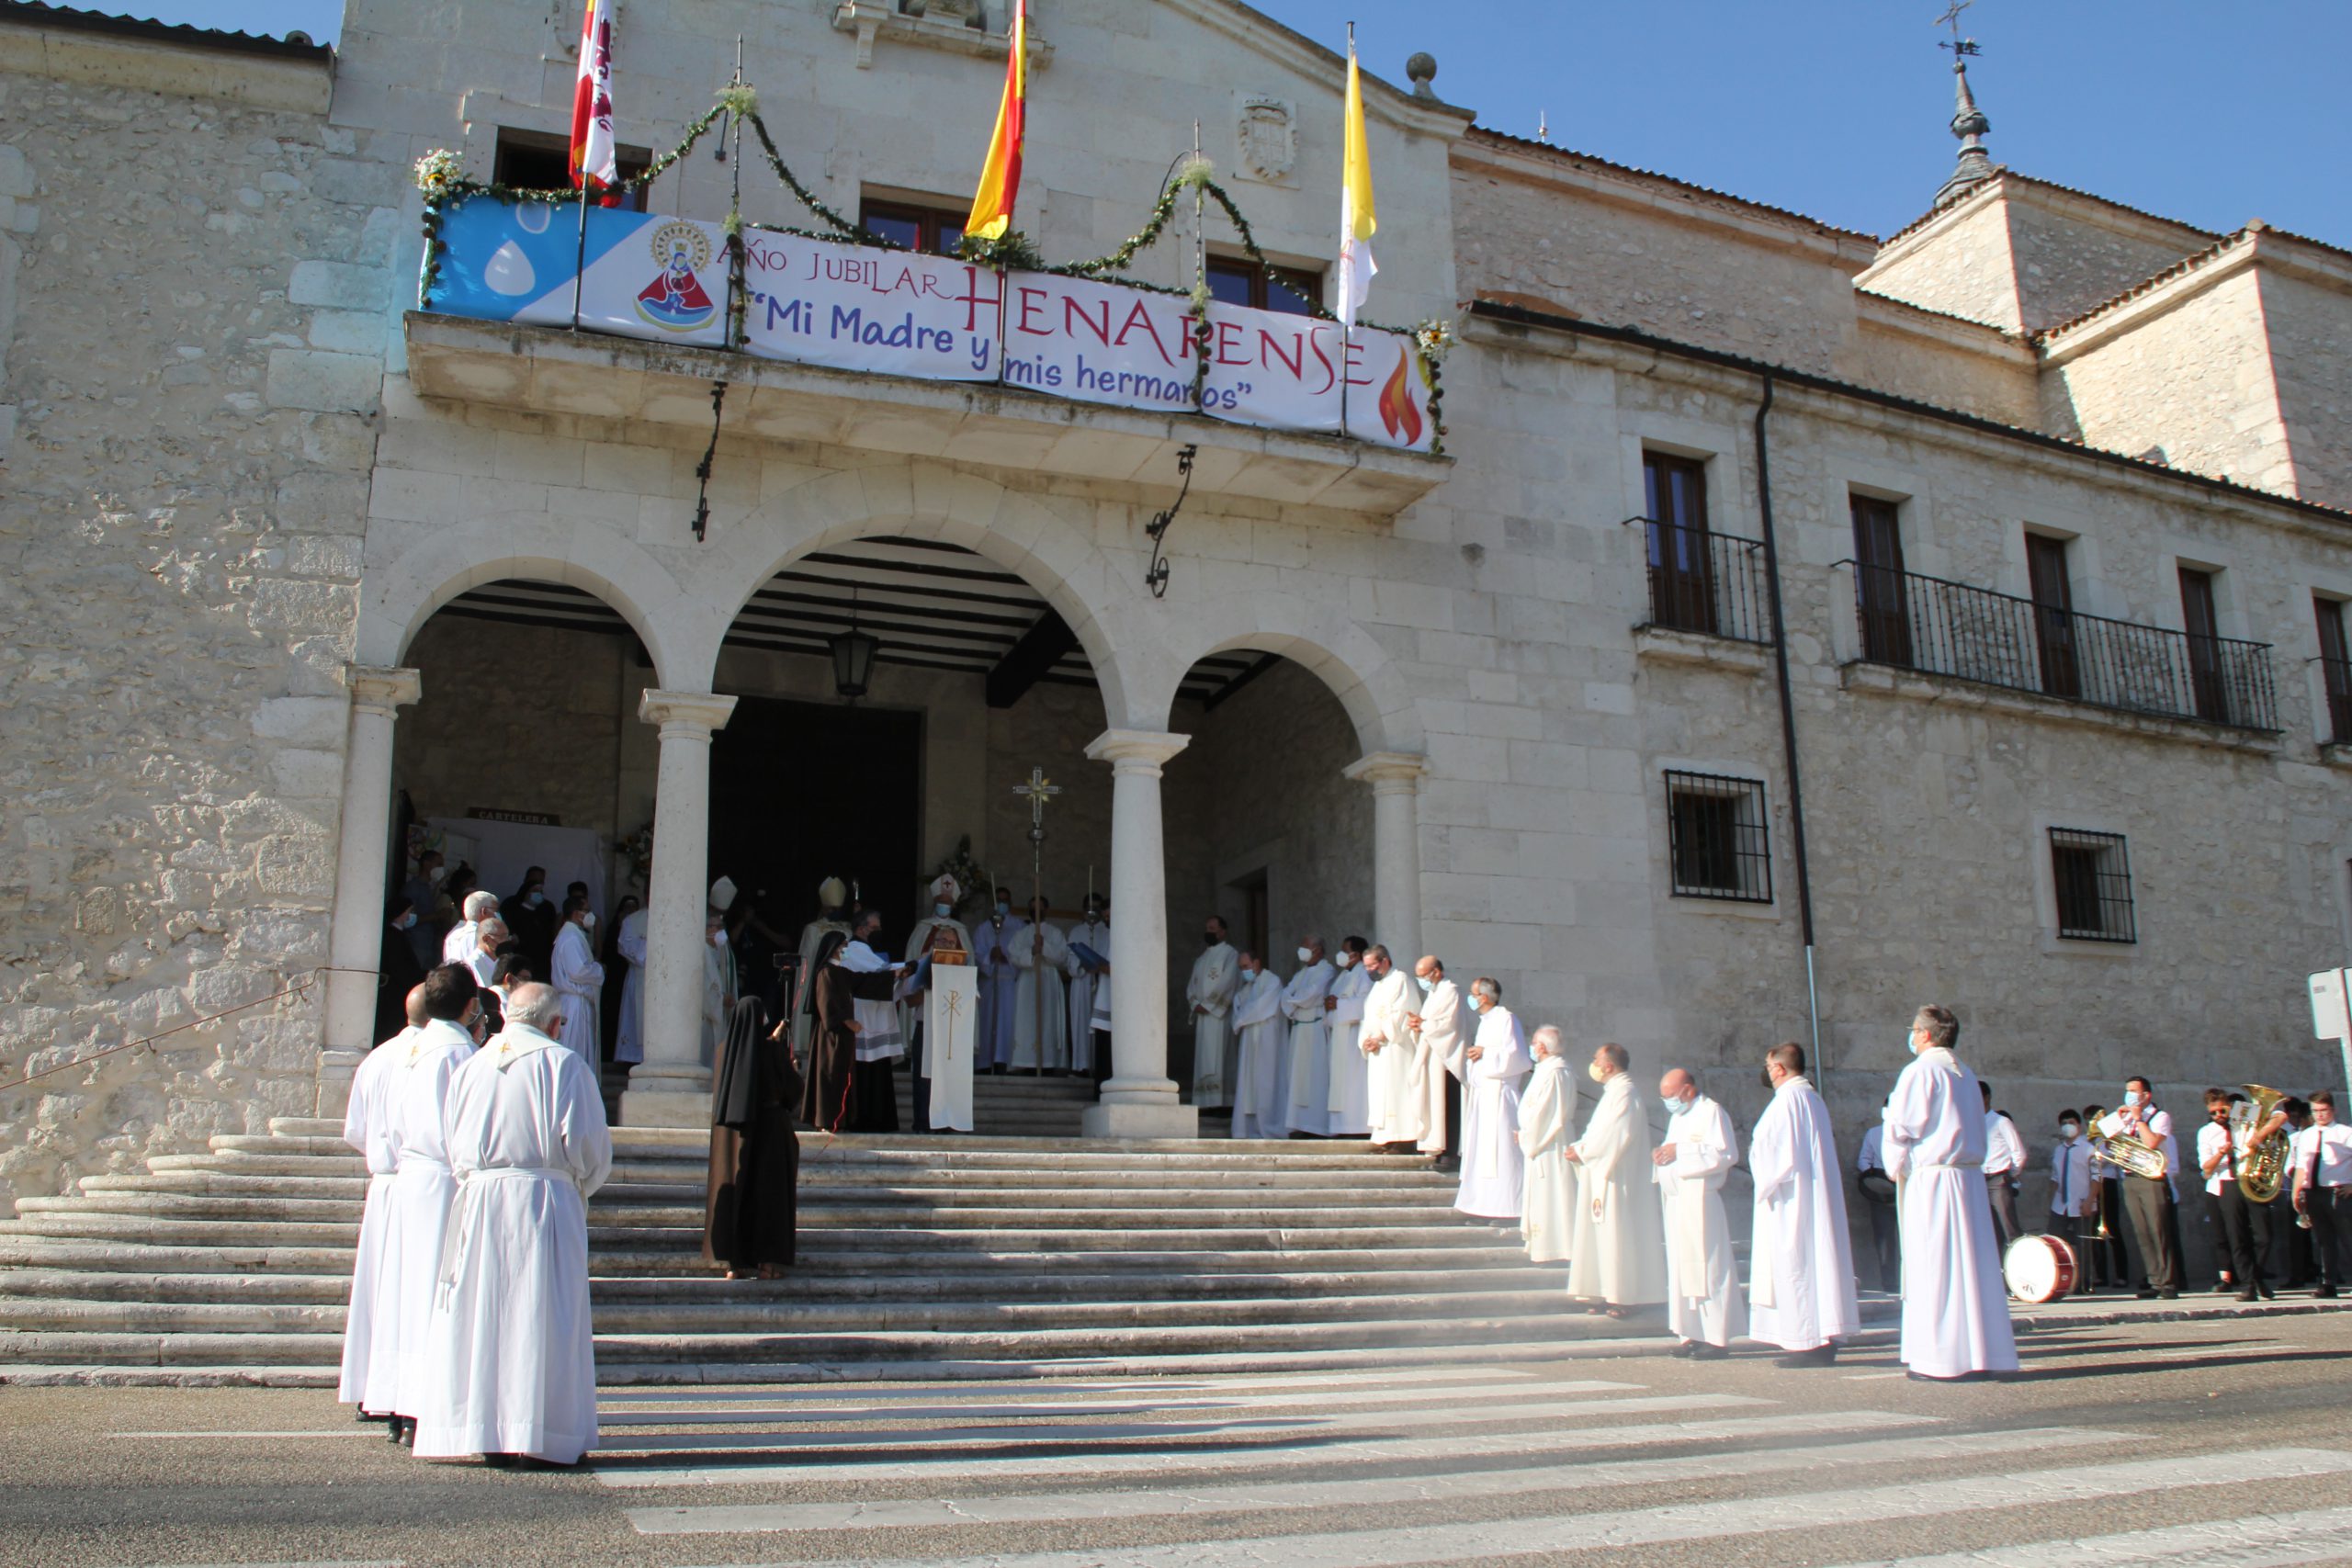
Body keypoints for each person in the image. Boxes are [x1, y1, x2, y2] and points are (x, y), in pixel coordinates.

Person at [413, 983, 613, 1469]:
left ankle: (487, 1429)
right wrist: (579, 1184)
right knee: (542, 1314)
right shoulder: (563, 1064)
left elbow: (451, 1138)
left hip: (481, 1198)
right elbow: (588, 1146)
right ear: (554, 1023)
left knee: (486, 1312)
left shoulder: (472, 1064)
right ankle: (542, 1433)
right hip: (542, 1200)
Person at [1882, 1003, 2018, 1382]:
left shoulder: (1920, 1070)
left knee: (1936, 1266)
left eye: (1913, 1029)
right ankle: (1978, 1353)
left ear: (1925, 1034)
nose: (1910, 1035)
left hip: (1937, 1181)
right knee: (1971, 1270)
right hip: (1970, 1180)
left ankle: (1941, 1359)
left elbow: (1902, 1126)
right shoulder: (1965, 1073)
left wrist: (1895, 1163)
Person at [380, 964, 481, 1445]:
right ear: (469, 1007)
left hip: (412, 1175)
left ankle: (404, 1402)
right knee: (441, 1291)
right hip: (444, 1176)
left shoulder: (412, 1048)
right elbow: (469, 1120)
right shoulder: (460, 1051)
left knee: (410, 1290)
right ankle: (429, 1404)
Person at [340, 986, 425, 1419]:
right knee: (407, 1292)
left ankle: (369, 1388)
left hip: (384, 1182)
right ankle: (400, 1392)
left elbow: (355, 1130)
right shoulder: (437, 1057)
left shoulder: (377, 1058)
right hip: (421, 1184)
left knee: (377, 1289)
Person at [1747, 1043, 1859, 1367]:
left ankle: (1806, 1342)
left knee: (1798, 1265)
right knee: (1816, 1263)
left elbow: (1774, 1152)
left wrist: (1759, 1168)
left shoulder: (1787, 1101)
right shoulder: (1812, 1097)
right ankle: (1822, 1338)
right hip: (1811, 1196)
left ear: (1779, 1069)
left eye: (1769, 1067)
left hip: (1792, 1202)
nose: (1767, 1073)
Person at [1560, 1043, 1668, 1318]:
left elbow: (1615, 1135)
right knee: (1600, 1236)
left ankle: (1622, 1296)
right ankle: (1600, 1290)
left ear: (1608, 1065)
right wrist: (1581, 1146)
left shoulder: (1625, 1093)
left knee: (1616, 1236)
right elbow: (1597, 1131)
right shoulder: (1614, 1093)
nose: (1593, 1064)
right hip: (1602, 1174)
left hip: (1617, 1178)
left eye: (1596, 1059)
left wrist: (1582, 1150)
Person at [706, 998, 804, 1280]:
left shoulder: (724, 1052)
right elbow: (791, 1089)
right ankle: (767, 1264)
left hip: (733, 1138)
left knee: (739, 1195)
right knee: (769, 1197)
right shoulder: (769, 1051)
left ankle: (734, 1263)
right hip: (771, 1132)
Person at [1652, 1066, 1743, 1359]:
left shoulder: (1711, 1112)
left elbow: (1725, 1153)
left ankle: (1716, 1337)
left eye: (1671, 1096)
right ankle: (1691, 1332)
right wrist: (1663, 1154)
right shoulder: (1678, 1116)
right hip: (1678, 1201)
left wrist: (1680, 1151)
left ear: (1688, 1089)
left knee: (1709, 1268)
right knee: (1682, 1268)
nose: (1668, 1102)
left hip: (1701, 1201)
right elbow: (1673, 1149)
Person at [799, 930, 908, 1134]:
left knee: (842, 1078)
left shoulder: (840, 972)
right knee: (830, 1076)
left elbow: (864, 981)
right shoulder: (826, 972)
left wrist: (894, 974)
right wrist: (848, 1022)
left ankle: (840, 1120)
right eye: (843, 947)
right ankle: (827, 1121)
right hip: (831, 1037)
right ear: (833, 948)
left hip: (843, 1037)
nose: (845, 950)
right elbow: (827, 1006)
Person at [1453, 978, 1530, 1220]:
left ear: (1484, 997)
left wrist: (1484, 1052)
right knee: (1482, 1153)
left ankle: (1507, 1207)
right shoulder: (1486, 1022)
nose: (1471, 997)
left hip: (1500, 1097)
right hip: (1483, 1096)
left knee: (1501, 1154)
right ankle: (1482, 1206)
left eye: (1473, 993)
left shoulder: (1506, 1019)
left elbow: (1517, 1056)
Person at [903, 874, 974, 1132]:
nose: (945, 944)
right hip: (928, 1021)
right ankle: (923, 1120)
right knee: (925, 1076)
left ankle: (951, 1120)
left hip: (953, 1028)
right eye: (941, 941)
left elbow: (971, 989)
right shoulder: (924, 945)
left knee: (951, 1075)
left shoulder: (962, 938)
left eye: (950, 942)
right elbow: (909, 993)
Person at [2098, 1076, 2180, 1299]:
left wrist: (2139, 1120)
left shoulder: (2160, 1116)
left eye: (2134, 1091)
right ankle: (2154, 1280)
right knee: (2142, 1231)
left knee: (2158, 1230)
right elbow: (2105, 1137)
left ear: (2146, 1095)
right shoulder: (2127, 1118)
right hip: (2130, 1177)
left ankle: (2169, 1282)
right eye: (2127, 1090)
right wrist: (2120, 1117)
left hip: (2152, 1178)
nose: (2130, 1094)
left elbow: (2152, 1142)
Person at [2201, 1087, 2280, 1302]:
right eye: (2213, 1113)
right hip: (2228, 1183)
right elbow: (2206, 1170)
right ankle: (2248, 1284)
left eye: (2222, 1111)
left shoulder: (2243, 1120)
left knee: (2265, 1235)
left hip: (2251, 1180)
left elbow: (2279, 1116)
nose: (2219, 1116)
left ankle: (2255, 1277)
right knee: (2237, 1238)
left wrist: (2258, 1137)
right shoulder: (2207, 1132)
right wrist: (2220, 1154)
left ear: (2230, 1107)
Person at [839, 908, 910, 1123]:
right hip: (865, 1015)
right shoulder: (855, 949)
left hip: (875, 1014)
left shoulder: (866, 950)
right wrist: (909, 967)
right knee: (868, 1068)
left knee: (876, 1067)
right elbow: (882, 972)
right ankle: (868, 1118)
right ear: (861, 929)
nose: (879, 931)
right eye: (874, 928)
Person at [1516, 1025, 1576, 1263]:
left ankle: (1556, 1248)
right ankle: (1542, 1246)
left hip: (1549, 1142)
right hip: (1541, 1140)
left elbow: (1548, 1113)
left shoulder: (1556, 1072)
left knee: (1553, 1194)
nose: (1531, 1047)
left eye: (1533, 1043)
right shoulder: (1546, 1069)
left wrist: (1525, 1136)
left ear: (1541, 1046)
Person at [1357, 945, 1421, 1153]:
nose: (1369, 970)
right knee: (1380, 1092)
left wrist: (1380, 1037)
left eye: (1372, 965)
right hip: (1379, 1050)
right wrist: (1366, 1039)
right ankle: (1386, 1137)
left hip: (1395, 1048)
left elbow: (1401, 1014)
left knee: (1396, 1090)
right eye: (1366, 966)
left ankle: (1404, 1138)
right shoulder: (1378, 986)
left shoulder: (1400, 980)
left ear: (1385, 961)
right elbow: (1369, 1016)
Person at [1406, 956, 1464, 1168]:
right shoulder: (1433, 994)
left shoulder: (1451, 991)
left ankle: (1450, 1153)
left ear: (1436, 972)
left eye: (1423, 975)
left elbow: (1448, 1025)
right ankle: (1437, 1148)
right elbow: (1430, 1023)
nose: (1421, 980)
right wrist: (1417, 1024)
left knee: (1447, 1104)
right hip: (1432, 1057)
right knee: (1435, 1104)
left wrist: (1423, 1025)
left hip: (1446, 1060)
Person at [2292, 1089, 2352, 1296]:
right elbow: (2302, 1166)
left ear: (2332, 1110)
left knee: (2348, 1238)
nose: (2320, 1115)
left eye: (2324, 1110)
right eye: (2315, 1111)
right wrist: (2296, 1191)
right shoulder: (2306, 1135)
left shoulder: (2344, 1133)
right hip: (2313, 1191)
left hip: (2338, 1190)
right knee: (2324, 1240)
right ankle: (2328, 1283)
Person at [1227, 950, 1289, 1137]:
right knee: (1249, 1084)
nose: (1244, 971)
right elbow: (1237, 1007)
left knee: (1265, 1082)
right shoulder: (1246, 988)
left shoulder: (1272, 982)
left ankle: (1269, 1126)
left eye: (1246, 966)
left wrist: (1241, 1018)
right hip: (1250, 1042)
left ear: (1256, 963)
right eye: (1241, 968)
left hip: (1267, 1040)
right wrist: (1241, 1017)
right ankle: (1246, 1129)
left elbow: (1261, 1007)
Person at [1008, 895, 1070, 1073]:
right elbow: (1013, 955)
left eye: (1039, 907)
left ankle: (1049, 1062)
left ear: (1046, 910)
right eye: (1032, 907)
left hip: (1048, 979)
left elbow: (1062, 956)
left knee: (1048, 1019)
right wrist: (1031, 951)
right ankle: (1025, 1061)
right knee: (1026, 1020)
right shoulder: (1021, 934)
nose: (1036, 911)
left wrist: (1045, 946)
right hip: (1028, 979)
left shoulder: (1055, 932)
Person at [1280, 938, 1335, 1138]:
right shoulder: (1301, 973)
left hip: (1314, 1028)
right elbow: (1285, 993)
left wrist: (1295, 1000)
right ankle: (1299, 1124)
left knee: (1315, 1076)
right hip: (1299, 1028)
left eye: (1306, 947)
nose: (1302, 950)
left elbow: (1313, 993)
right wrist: (1296, 1001)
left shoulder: (1326, 970)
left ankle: (1317, 1125)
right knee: (1297, 1077)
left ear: (1318, 950)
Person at [1321, 937, 1373, 1136]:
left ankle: (1357, 1126)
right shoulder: (1343, 975)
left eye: (1345, 951)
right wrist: (1330, 1004)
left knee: (1353, 1082)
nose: (1340, 955)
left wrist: (1338, 1005)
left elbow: (1365, 1004)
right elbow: (1331, 1000)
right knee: (1339, 1083)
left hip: (1353, 1037)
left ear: (1357, 955)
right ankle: (1340, 1126)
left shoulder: (1364, 975)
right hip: (1339, 1036)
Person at [2080, 1100, 2133, 1292]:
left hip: (2108, 1182)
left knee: (2113, 1229)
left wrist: (2108, 1148)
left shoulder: (2110, 1140)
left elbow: (2116, 1162)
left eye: (2093, 1121)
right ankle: (2100, 1274)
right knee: (2096, 1231)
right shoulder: (2088, 1142)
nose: (2091, 1125)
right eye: (2088, 1122)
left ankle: (2121, 1275)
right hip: (2093, 1184)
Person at [1186, 915, 1239, 1108]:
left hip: (1218, 1016)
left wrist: (1208, 1005)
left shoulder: (1230, 954)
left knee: (1219, 1058)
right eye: (1207, 928)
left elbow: (1228, 982)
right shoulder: (1201, 958)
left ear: (1222, 932)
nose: (1208, 932)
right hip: (1202, 1016)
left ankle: (1223, 1103)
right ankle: (1204, 1103)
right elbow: (1191, 986)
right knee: (1204, 1060)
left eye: (1212, 928)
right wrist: (1195, 1004)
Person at [548, 893, 605, 1064]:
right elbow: (578, 971)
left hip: (576, 1001)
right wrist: (599, 969)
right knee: (575, 1050)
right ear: (576, 913)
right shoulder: (571, 938)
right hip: (574, 1003)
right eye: (587, 910)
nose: (590, 915)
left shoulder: (573, 935)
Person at [969, 887, 1018, 1074]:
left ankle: (1005, 1062)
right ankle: (985, 1062)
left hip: (1009, 983)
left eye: (1005, 900)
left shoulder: (1018, 926)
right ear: (993, 904)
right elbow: (977, 954)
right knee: (988, 1022)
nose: (1002, 904)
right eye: (999, 900)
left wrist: (1007, 957)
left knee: (1007, 1022)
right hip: (989, 983)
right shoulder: (983, 929)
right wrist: (990, 955)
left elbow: (1022, 952)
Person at [2049, 1109, 2096, 1297]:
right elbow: (2054, 1177)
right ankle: (2055, 1280)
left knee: (2083, 1245)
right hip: (2060, 1204)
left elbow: (2096, 1177)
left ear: (2079, 1125)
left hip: (2081, 1202)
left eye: (2072, 1122)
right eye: (2064, 1123)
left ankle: (2083, 1284)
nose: (2068, 1126)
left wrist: (2090, 1200)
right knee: (2054, 1242)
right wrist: (2050, 1199)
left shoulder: (2088, 1149)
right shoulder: (2059, 1150)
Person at [1855, 1104, 1901, 1293]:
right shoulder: (1874, 1133)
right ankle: (1890, 1284)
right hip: (1882, 1192)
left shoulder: (1908, 1133)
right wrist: (1876, 1177)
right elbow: (1863, 1160)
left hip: (1906, 1187)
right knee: (1885, 1240)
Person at [1064, 894, 1111, 1078]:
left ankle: (1097, 1066)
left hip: (1101, 983)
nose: (1094, 912)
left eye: (1097, 908)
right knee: (1080, 1023)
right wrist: (1081, 964)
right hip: (1081, 982)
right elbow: (1070, 958)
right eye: (1089, 907)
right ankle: (1081, 1065)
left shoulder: (1107, 931)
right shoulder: (1076, 931)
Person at [376, 896, 428, 1046]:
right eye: (409, 911)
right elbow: (401, 968)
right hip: (395, 993)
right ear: (402, 913)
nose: (411, 915)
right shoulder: (393, 936)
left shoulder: (397, 934)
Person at [1980, 1081, 2027, 1247]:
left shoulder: (2001, 1121)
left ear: (1986, 1098)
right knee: (1990, 1232)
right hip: (1979, 1180)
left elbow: (2018, 1153)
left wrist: (2008, 1175)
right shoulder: (1972, 1122)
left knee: (2010, 1228)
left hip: (1998, 1179)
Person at [599, 894, 639, 1067]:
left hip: (633, 975)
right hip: (616, 978)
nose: (630, 910)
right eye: (627, 906)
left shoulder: (638, 923)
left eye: (633, 906)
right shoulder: (614, 928)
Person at [702, 887, 738, 1069]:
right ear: (706, 929)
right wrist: (719, 1000)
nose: (720, 931)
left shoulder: (722, 950)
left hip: (721, 1012)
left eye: (722, 927)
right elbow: (700, 986)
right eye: (717, 927)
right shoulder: (699, 952)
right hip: (705, 1017)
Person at [504, 867, 557, 982]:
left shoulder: (547, 908)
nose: (537, 892)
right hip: (520, 961)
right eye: (533, 886)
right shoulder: (511, 905)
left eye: (540, 885)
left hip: (543, 963)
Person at [401, 850, 446, 969]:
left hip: (429, 945)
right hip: (416, 945)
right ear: (426, 864)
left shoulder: (430, 888)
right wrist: (437, 915)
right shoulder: (413, 888)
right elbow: (406, 919)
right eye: (439, 865)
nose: (441, 869)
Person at [441, 889, 499, 966]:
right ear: (484, 911)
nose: (497, 916)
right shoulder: (482, 937)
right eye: (495, 911)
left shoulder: (452, 935)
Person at [462, 917, 507, 987]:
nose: (506, 941)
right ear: (486, 939)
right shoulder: (472, 965)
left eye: (507, 936)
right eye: (502, 937)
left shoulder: (505, 961)